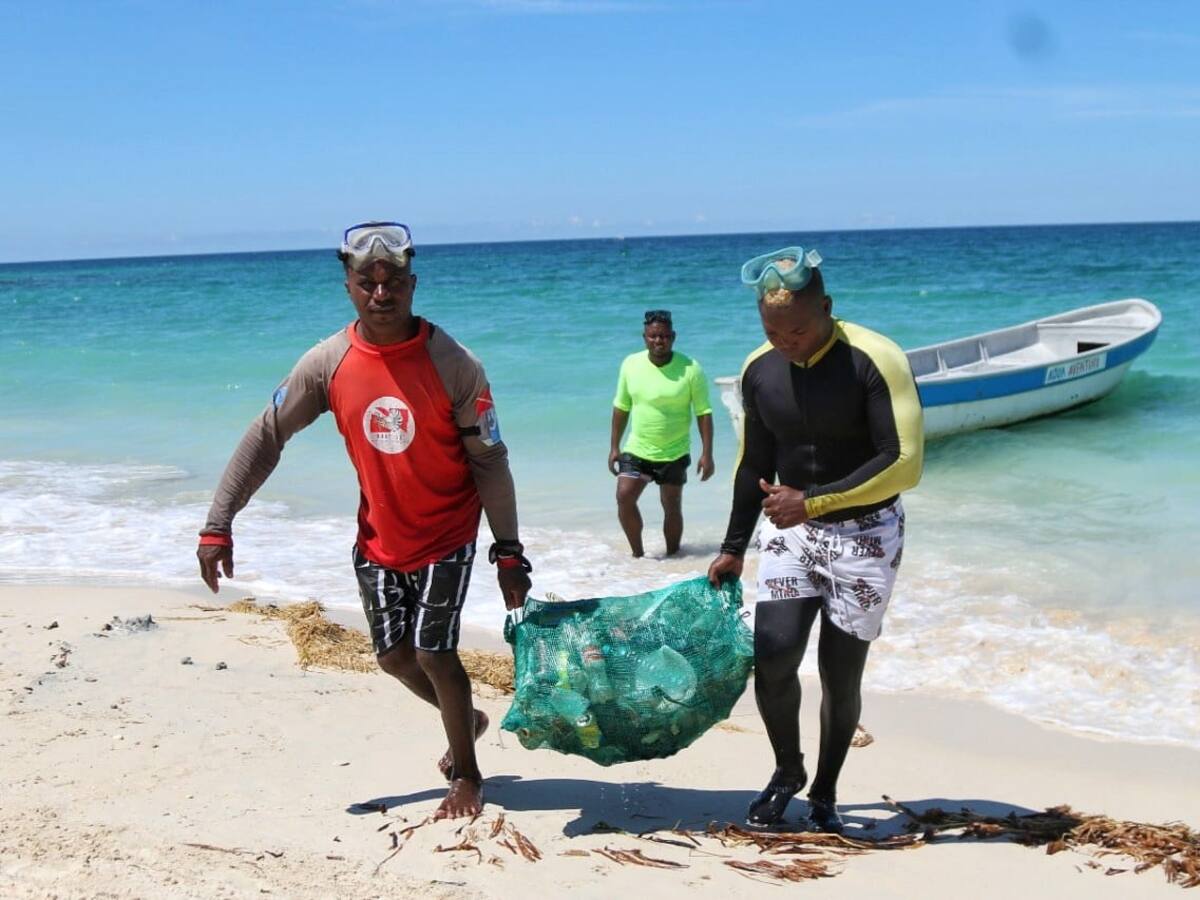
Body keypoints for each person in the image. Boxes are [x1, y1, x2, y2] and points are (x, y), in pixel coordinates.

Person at [196, 221, 531, 821]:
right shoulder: (327, 364)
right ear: (348, 286)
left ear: (413, 283)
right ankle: (468, 723)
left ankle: (468, 776)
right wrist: (219, 523)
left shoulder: (453, 363)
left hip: (448, 532)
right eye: (368, 282)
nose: (382, 293)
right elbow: (267, 435)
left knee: (434, 652)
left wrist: (508, 551)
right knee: (393, 657)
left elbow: (490, 459)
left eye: (394, 280)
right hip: (379, 538)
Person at [706, 247, 923, 833]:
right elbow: (755, 459)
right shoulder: (760, 368)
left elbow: (903, 462)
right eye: (772, 330)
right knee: (772, 656)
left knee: (838, 674)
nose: (786, 341)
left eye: (798, 328)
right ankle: (787, 771)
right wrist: (732, 545)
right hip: (791, 531)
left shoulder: (874, 359)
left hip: (867, 536)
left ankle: (825, 790)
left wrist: (816, 501)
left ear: (827, 308)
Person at [608, 310, 715, 557]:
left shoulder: (690, 369)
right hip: (637, 449)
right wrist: (615, 446)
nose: (659, 341)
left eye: (665, 336)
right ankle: (638, 556)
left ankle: (674, 556)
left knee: (671, 506)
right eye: (654, 336)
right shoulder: (630, 364)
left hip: (674, 452)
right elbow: (621, 407)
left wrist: (706, 454)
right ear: (644, 337)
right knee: (624, 496)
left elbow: (704, 412)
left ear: (673, 337)